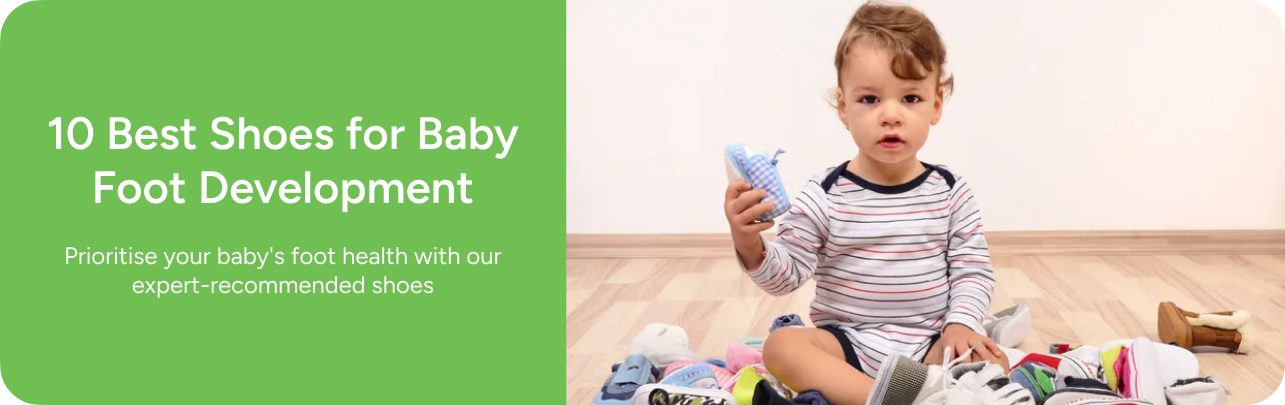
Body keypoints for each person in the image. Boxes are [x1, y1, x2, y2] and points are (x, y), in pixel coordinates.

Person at [722, 2, 1007, 404]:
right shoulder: (824, 193)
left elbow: (972, 270)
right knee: (781, 347)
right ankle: (885, 398)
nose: (890, 115)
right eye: (870, 99)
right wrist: (749, 242)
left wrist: (960, 324)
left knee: (993, 360)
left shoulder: (950, 190)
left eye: (910, 98)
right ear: (844, 106)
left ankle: (906, 392)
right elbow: (784, 277)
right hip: (848, 347)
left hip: (929, 344)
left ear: (936, 105)